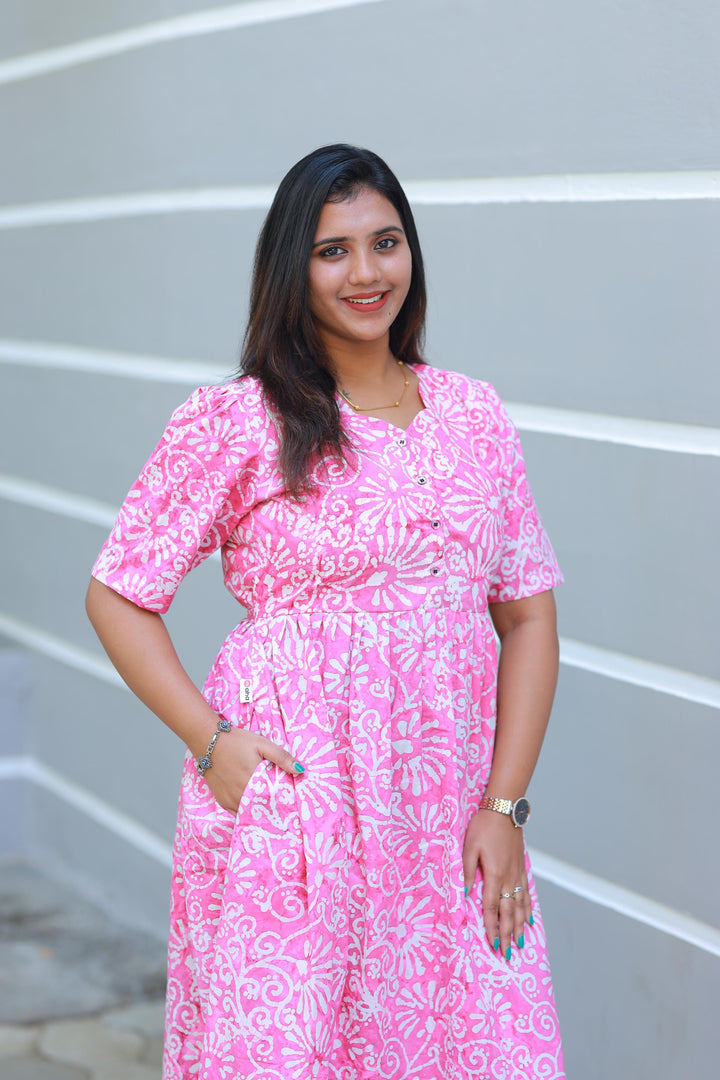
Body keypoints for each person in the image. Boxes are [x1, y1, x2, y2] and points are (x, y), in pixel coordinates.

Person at [86, 144, 565, 1080]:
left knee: (476, 1040)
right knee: (296, 1049)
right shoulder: (238, 421)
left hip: (447, 816)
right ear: (291, 268)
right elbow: (119, 593)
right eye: (331, 250)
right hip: (301, 808)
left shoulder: (474, 415)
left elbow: (528, 617)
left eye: (385, 242)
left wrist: (505, 806)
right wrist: (212, 743)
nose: (366, 272)